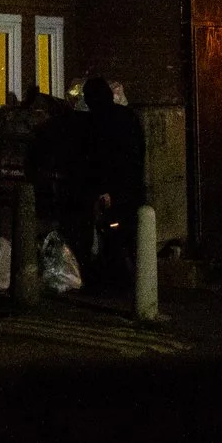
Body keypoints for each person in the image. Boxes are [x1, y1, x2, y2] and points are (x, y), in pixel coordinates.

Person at [79, 76, 148, 287]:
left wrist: (107, 192)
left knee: (113, 235)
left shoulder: (99, 122)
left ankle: (117, 282)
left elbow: (102, 159)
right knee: (129, 235)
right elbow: (136, 155)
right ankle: (132, 282)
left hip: (114, 191)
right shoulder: (128, 116)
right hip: (132, 188)